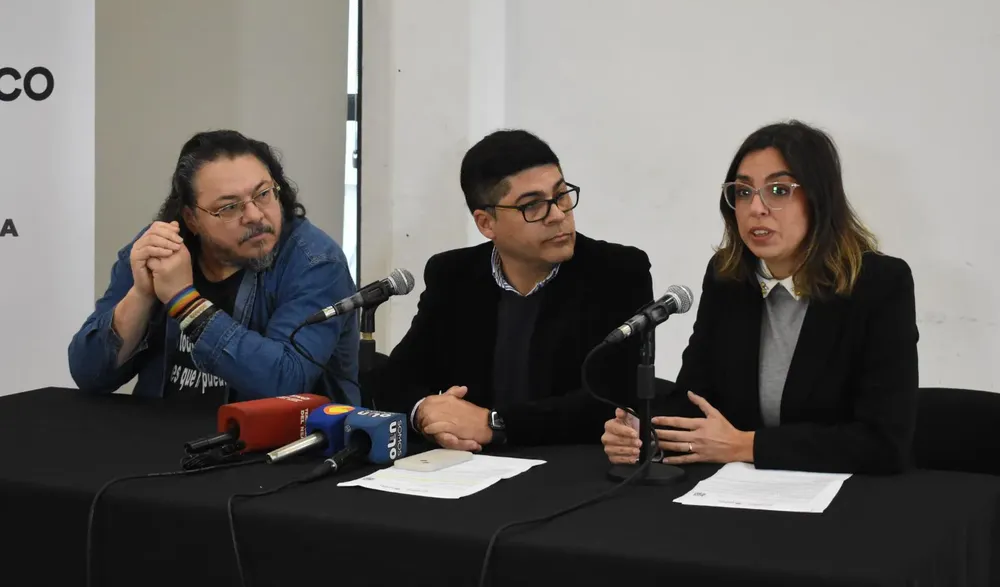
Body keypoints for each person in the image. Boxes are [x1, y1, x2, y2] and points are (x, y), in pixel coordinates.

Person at [602, 120, 918, 474]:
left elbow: (884, 442)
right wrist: (644, 433)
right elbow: (695, 399)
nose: (756, 208)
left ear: (819, 199)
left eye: (779, 191)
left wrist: (747, 446)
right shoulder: (728, 278)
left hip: (848, 495)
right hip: (740, 492)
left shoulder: (879, 284)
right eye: (743, 192)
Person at [383, 129, 653, 449]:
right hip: (468, 465)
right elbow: (395, 378)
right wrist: (425, 413)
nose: (558, 215)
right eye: (533, 205)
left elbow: (613, 398)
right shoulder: (453, 275)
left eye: (561, 196)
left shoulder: (617, 272)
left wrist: (494, 424)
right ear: (486, 223)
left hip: (571, 465)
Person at [69, 130, 360, 405]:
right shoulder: (161, 249)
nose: (255, 215)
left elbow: (285, 381)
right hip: (157, 433)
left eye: (263, 194)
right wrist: (142, 294)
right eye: (229, 207)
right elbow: (89, 374)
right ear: (192, 219)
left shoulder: (316, 262)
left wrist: (185, 303)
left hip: (271, 439)